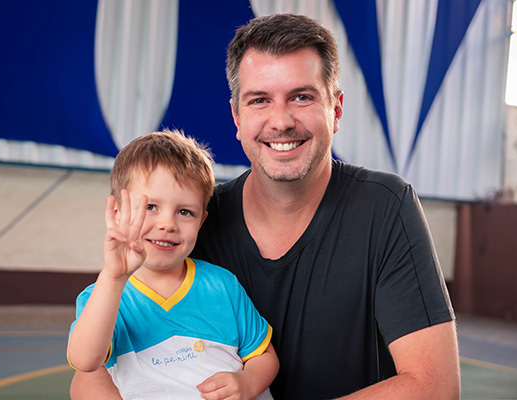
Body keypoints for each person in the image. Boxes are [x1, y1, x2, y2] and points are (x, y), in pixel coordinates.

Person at [71, 13, 460, 400]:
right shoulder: (195, 221)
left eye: (302, 97)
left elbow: (436, 387)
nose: (281, 121)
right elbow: (90, 375)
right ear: (237, 118)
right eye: (259, 100)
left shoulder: (385, 206)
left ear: (336, 110)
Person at [67, 129, 278, 400]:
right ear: (119, 214)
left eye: (184, 212)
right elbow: (85, 361)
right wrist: (113, 277)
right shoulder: (103, 297)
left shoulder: (222, 285)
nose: (167, 224)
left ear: (201, 221)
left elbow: (265, 355)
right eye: (151, 207)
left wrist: (248, 382)